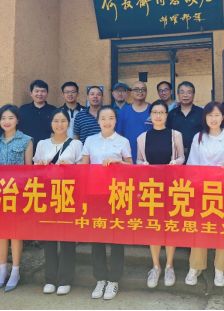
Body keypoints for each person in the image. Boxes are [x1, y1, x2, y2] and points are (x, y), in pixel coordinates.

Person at [185, 102, 224, 288]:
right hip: (202, 190)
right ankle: (196, 266)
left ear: (223, 117)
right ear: (205, 117)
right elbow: (192, 164)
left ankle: (221, 268)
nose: (213, 118)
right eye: (210, 115)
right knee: (199, 228)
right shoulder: (199, 137)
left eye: (217, 115)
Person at [82, 106, 133, 301]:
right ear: (98, 120)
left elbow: (131, 166)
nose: (107, 121)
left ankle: (114, 279)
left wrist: (119, 163)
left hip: (116, 194)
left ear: (115, 120)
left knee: (116, 236)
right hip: (95, 193)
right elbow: (83, 167)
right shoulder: (90, 140)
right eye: (103, 118)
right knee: (97, 235)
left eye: (111, 118)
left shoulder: (122, 141)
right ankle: (100, 278)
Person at [0, 105, 34, 293]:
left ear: (17, 120)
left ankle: (15, 272)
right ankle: (2, 271)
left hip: (17, 194)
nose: (6, 121)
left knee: (15, 233)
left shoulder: (26, 140)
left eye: (11, 118)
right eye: (3, 118)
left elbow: (29, 170)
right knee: (1, 233)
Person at [34, 108, 83, 296]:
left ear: (68, 123)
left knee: (67, 237)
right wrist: (40, 166)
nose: (59, 124)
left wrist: (71, 168)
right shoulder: (42, 144)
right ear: (51, 123)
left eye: (63, 121)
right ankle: (50, 278)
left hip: (68, 195)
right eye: (56, 121)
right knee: (49, 238)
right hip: (47, 195)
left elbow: (83, 169)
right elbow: (34, 171)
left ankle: (65, 279)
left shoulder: (76, 144)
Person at [136, 101, 185, 289]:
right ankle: (155, 266)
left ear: (166, 115)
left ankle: (169, 266)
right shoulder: (142, 137)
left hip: (171, 185)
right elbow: (138, 159)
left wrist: (176, 163)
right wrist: (142, 165)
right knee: (154, 226)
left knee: (170, 225)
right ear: (150, 115)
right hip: (151, 186)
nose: (158, 116)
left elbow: (182, 156)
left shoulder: (175, 135)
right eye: (155, 112)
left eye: (162, 112)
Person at [166, 81, 203, 162]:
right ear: (178, 95)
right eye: (182, 92)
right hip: (176, 156)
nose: (185, 95)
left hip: (197, 154)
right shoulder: (172, 114)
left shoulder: (202, 113)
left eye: (189, 92)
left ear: (193, 95)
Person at [116, 81, 153, 163]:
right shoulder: (124, 111)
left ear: (146, 92)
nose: (140, 91)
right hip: (128, 157)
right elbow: (119, 136)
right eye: (136, 89)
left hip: (150, 156)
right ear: (131, 93)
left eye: (143, 89)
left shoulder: (153, 110)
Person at [19, 80, 57, 150]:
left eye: (43, 91)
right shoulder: (23, 109)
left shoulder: (53, 110)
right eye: (36, 91)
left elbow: (55, 131)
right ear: (31, 93)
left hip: (48, 149)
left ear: (47, 93)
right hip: (27, 149)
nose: (39, 94)